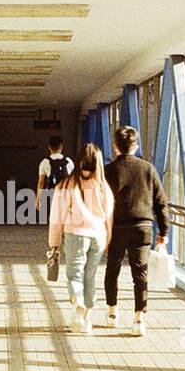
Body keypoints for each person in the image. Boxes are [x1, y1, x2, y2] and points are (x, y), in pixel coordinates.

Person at [102, 125, 168, 336]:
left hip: (116, 228)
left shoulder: (108, 170)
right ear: (135, 145)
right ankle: (139, 318)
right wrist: (164, 231)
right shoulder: (148, 169)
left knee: (112, 270)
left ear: (115, 147)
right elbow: (161, 202)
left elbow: (101, 203)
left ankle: (112, 313)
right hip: (142, 228)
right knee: (140, 273)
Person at [48, 142, 114, 334]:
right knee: (90, 277)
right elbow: (108, 215)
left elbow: (56, 216)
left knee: (75, 275)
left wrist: (54, 242)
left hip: (76, 235)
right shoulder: (103, 186)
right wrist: (109, 239)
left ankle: (78, 305)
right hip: (98, 236)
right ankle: (86, 320)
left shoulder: (67, 184)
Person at [36, 134, 73, 204]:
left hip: (51, 197)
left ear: (49, 147)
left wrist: (38, 198)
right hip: (65, 197)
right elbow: (73, 181)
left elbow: (41, 183)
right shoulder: (69, 161)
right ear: (61, 147)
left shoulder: (44, 162)